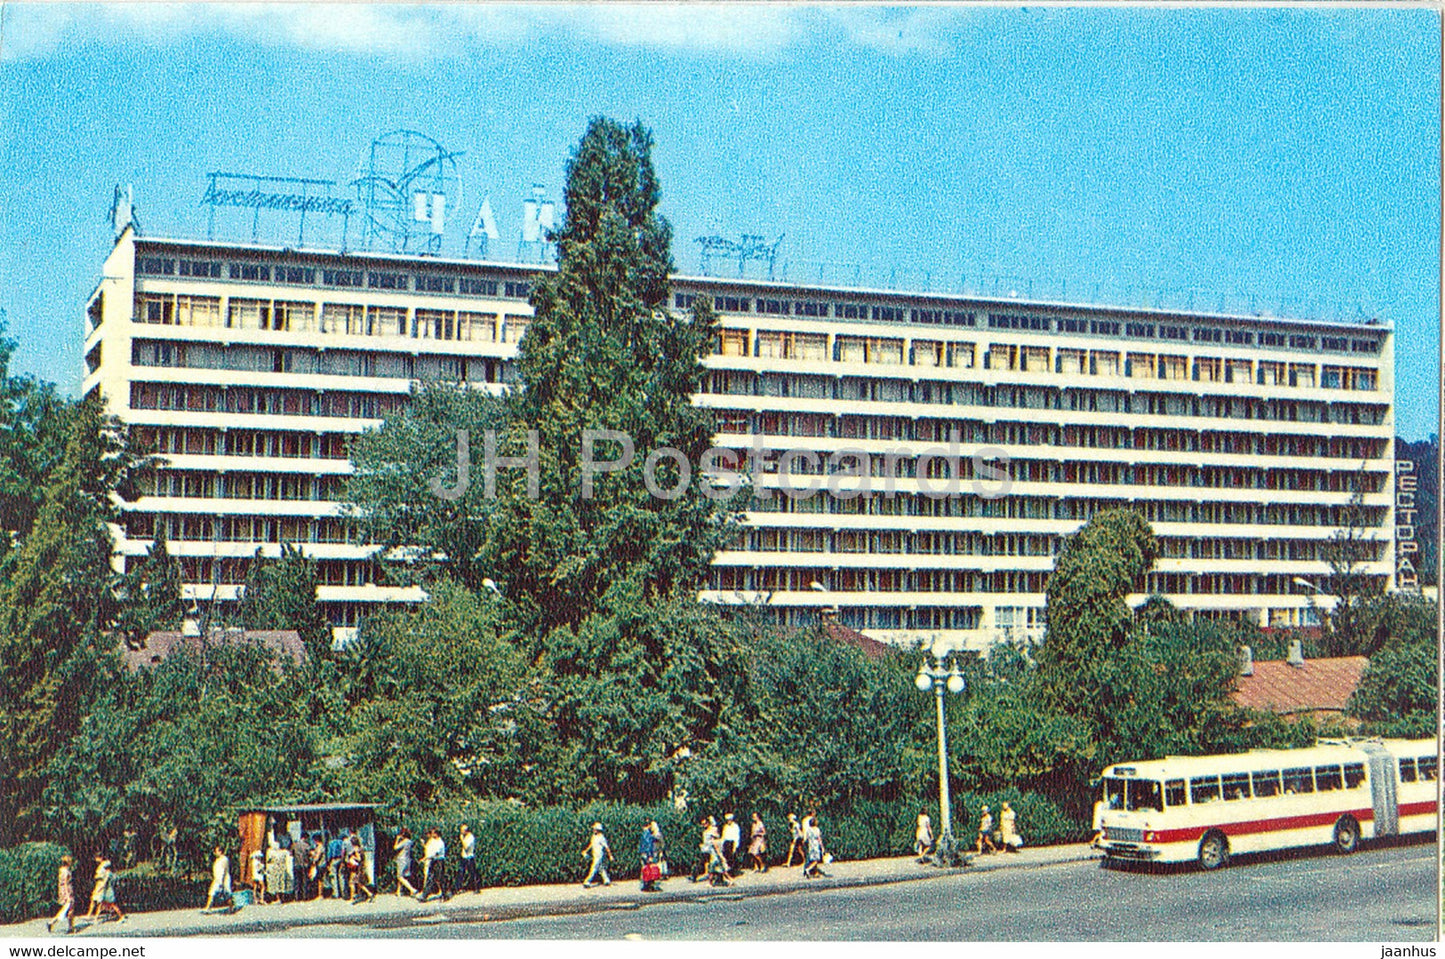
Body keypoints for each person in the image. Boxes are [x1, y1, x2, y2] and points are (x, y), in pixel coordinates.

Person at [88, 855, 124, 923]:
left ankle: (121, 916)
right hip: (107, 890)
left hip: (108, 891)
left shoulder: (108, 874)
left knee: (113, 905)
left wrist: (100, 888)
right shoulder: (110, 873)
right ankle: (96, 918)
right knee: (102, 904)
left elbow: (105, 882)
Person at [47, 855, 75, 934]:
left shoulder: (61, 870)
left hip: (63, 891)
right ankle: (53, 922)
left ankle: (70, 927)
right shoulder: (66, 871)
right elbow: (65, 883)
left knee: (68, 909)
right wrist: (67, 895)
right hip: (67, 891)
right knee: (67, 909)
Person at [419, 828, 448, 902]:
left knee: (440, 879)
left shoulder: (440, 843)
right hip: (433, 860)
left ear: (436, 834)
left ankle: (444, 895)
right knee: (430, 878)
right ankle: (424, 896)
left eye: (433, 833)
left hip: (439, 861)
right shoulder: (433, 841)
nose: (431, 834)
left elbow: (435, 852)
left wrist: (426, 858)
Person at [581, 823, 613, 888]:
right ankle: (607, 880)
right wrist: (586, 851)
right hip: (595, 855)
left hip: (599, 855)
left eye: (595, 829)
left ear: (598, 830)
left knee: (594, 867)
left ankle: (587, 881)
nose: (594, 830)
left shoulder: (602, 838)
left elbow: (607, 847)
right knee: (600, 868)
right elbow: (591, 845)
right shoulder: (594, 837)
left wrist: (610, 855)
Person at [203, 846, 232, 913]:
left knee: (227, 894)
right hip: (217, 879)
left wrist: (222, 881)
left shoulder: (224, 859)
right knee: (211, 892)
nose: (215, 853)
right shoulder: (217, 860)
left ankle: (231, 907)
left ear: (220, 851)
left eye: (216, 851)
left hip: (224, 879)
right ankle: (208, 907)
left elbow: (224, 870)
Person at [347, 834, 376, 902]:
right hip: (361, 867)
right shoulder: (361, 848)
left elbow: (359, 858)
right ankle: (367, 895)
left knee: (353, 883)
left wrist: (353, 857)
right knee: (359, 883)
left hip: (358, 868)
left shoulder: (356, 850)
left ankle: (354, 897)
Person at [691, 816, 719, 882]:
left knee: (713, 862)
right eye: (703, 824)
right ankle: (706, 874)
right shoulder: (705, 831)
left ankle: (713, 877)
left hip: (712, 849)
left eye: (705, 823)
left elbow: (716, 837)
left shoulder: (712, 830)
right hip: (706, 849)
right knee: (705, 861)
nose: (704, 825)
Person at [393, 828, 418, 897]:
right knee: (403, 876)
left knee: (400, 877)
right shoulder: (410, 841)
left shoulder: (404, 842)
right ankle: (398, 891)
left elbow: (395, 847)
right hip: (407, 859)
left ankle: (412, 889)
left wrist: (397, 840)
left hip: (401, 860)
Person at [638, 821, 661, 892]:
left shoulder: (643, 834)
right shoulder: (647, 834)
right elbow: (649, 845)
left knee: (645, 869)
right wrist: (650, 856)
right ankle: (650, 886)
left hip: (642, 853)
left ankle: (645, 886)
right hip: (647, 854)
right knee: (650, 869)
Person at [325, 831, 347, 899]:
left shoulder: (331, 843)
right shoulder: (342, 842)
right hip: (341, 859)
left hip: (334, 860)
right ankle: (343, 893)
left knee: (333, 877)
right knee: (341, 876)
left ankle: (336, 893)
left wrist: (328, 862)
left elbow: (329, 853)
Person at [457, 824, 478, 894]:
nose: (461, 832)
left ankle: (476, 888)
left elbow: (466, 847)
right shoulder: (465, 836)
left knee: (472, 873)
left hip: (469, 857)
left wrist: (462, 839)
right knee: (461, 872)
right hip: (464, 857)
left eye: (462, 830)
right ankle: (459, 888)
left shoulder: (470, 838)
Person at [291, 831, 311, 902]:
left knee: (297, 881)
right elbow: (309, 855)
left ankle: (297, 897)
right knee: (305, 881)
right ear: (305, 838)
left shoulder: (295, 845)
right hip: (304, 864)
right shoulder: (306, 846)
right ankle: (305, 896)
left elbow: (291, 853)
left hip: (296, 864)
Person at [307, 835, 326, 901]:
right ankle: (320, 894)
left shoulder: (320, 847)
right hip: (322, 865)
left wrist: (313, 860)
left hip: (320, 865)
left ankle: (320, 894)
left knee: (319, 880)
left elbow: (317, 857)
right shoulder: (321, 847)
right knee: (320, 880)